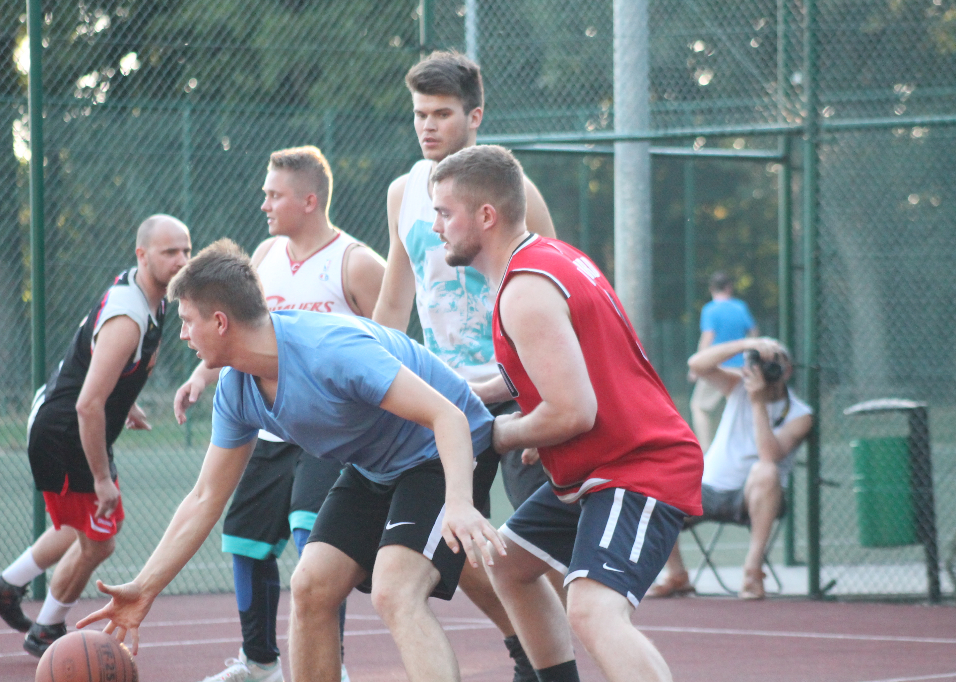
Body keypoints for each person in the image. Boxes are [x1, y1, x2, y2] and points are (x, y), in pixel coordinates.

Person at [77, 239, 506, 682]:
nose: (182, 334)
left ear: (220, 322)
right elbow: (205, 497)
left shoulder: (328, 350)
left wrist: (459, 503)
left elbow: (449, 416)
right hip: (375, 465)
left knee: (395, 591)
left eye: (188, 321)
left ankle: (530, 642)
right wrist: (145, 587)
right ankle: (530, 640)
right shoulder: (236, 391)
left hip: (444, 449)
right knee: (310, 588)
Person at [428, 144, 704, 682]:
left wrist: (500, 432)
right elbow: (549, 372)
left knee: (593, 609)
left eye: (444, 212)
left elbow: (573, 411)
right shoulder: (552, 258)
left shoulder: (524, 291)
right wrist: (472, 395)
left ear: (486, 216)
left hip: (638, 468)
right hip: (599, 473)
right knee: (508, 564)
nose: (436, 227)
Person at [372, 49, 557, 682]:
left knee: (535, 550)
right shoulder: (402, 192)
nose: (427, 125)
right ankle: (525, 647)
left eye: (442, 114)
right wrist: (370, 370)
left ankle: (546, 659)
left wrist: (539, 396)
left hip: (514, 392)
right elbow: (396, 300)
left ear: (475, 116)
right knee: (455, 536)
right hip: (444, 397)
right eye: (420, 113)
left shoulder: (515, 190)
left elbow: (550, 284)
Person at [174, 146, 384, 682]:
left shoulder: (355, 262)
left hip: (330, 429)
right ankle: (259, 663)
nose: (264, 203)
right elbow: (239, 333)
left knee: (309, 533)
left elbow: (389, 346)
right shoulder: (265, 256)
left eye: (275, 194)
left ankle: (324, 663)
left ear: (309, 200)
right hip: (270, 424)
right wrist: (203, 375)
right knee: (243, 539)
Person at [0, 215, 192, 657]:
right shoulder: (129, 314)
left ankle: (5, 586)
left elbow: (102, 369)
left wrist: (125, 402)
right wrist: (101, 478)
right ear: (142, 255)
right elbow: (87, 404)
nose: (181, 260)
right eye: (171, 252)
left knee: (81, 526)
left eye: (186, 250)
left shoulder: (157, 298)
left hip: (70, 425)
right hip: (65, 433)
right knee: (99, 539)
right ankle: (47, 629)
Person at [647, 336, 813, 600]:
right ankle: (677, 575)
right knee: (655, 484)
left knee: (767, 471)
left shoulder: (801, 414)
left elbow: (769, 455)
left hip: (756, 497)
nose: (767, 368)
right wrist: (748, 345)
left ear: (788, 370)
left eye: (775, 362)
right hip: (708, 489)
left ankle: (752, 572)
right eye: (762, 362)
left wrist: (758, 402)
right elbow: (697, 365)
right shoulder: (736, 385)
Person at [689, 271, 758, 451]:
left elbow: (707, 338)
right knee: (736, 410)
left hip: (717, 369)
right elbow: (754, 334)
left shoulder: (710, 309)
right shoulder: (741, 307)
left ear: (712, 288)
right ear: (729, 287)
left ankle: (706, 451)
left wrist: (696, 367)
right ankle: (739, 448)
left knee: (699, 407)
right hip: (741, 368)